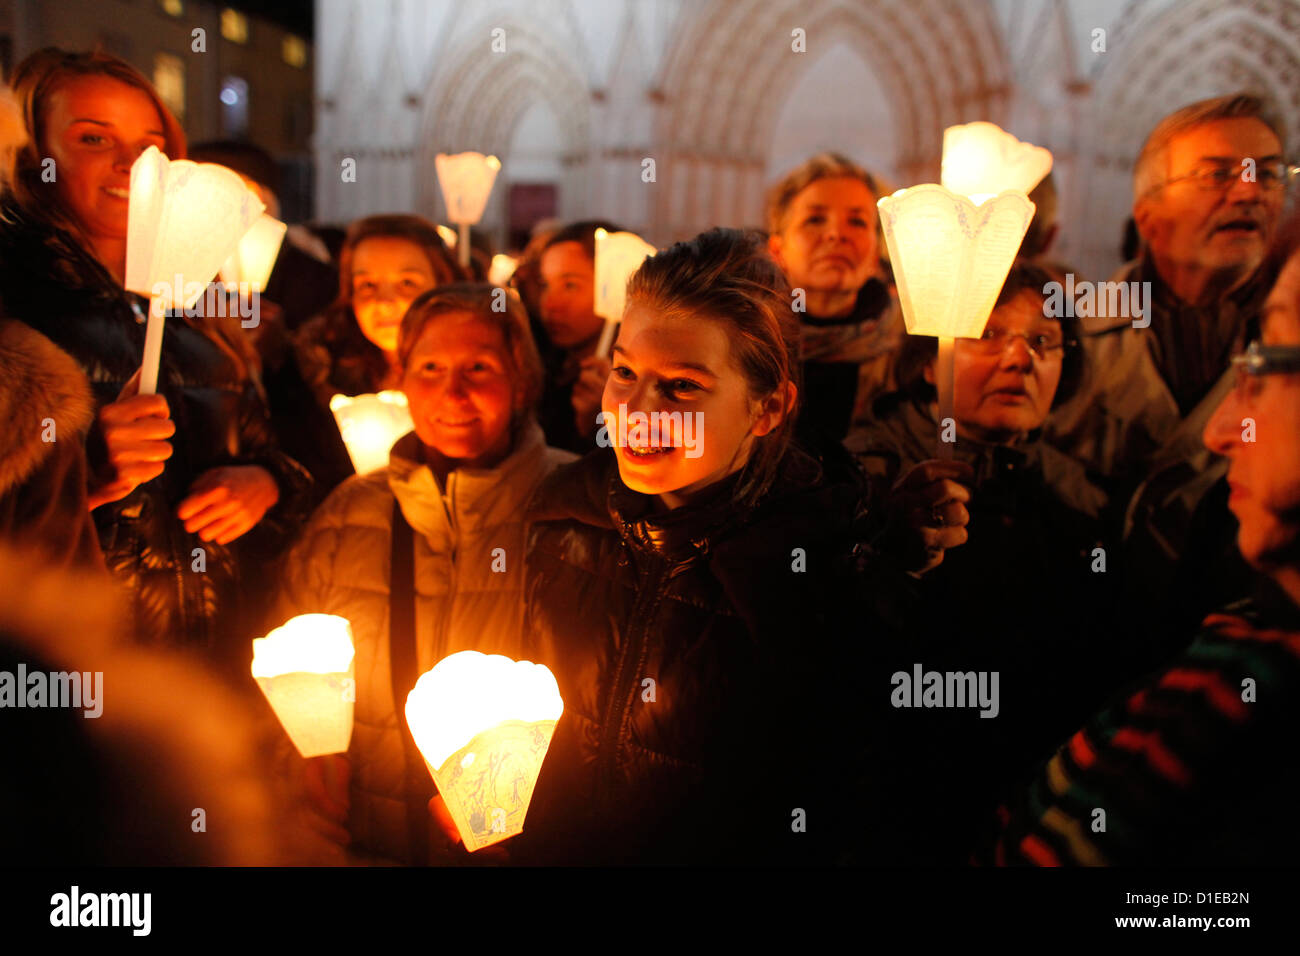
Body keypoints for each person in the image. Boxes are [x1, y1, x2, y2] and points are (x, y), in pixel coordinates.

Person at [515, 229, 969, 865]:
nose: (637, 410)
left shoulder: (825, 578)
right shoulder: (560, 520)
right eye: (625, 372)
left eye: (682, 387)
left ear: (768, 407)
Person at [987, 215, 1300, 866]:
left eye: (1272, 362)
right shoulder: (1236, 648)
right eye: (985, 336)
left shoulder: (1252, 691)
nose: (1218, 433)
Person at [0, 48, 310, 657]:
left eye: (151, 146)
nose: (133, 165)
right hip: (70, 682)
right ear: (33, 156)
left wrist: (266, 482)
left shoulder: (210, 314)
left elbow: (286, 455)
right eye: (93, 138)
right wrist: (80, 477)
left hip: (214, 666)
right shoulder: (15, 312)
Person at [274, 283, 574, 865]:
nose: (452, 391)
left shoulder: (577, 507)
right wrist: (300, 763)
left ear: (522, 382)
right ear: (402, 377)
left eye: (479, 367)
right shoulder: (347, 514)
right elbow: (285, 671)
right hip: (368, 842)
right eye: (430, 366)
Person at [848, 261, 1130, 861]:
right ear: (928, 361)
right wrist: (891, 558)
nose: (1019, 359)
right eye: (986, 335)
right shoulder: (862, 477)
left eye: (1042, 341)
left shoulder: (1084, 499)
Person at [1046, 93, 1288, 479]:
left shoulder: (1289, 340)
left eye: (1269, 174)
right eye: (1216, 175)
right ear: (1148, 218)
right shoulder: (1062, 335)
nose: (1250, 192)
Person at [291, 214, 464, 498]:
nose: (384, 302)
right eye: (367, 285)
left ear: (442, 284)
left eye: (407, 283)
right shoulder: (317, 377)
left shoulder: (474, 380)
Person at [765, 153, 903, 451]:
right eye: (814, 219)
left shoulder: (910, 348)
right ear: (778, 251)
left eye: (857, 221)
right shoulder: (745, 344)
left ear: (876, 250)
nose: (836, 234)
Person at [534, 219, 624, 453]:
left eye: (570, 285)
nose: (550, 304)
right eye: (545, 285)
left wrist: (603, 426)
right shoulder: (538, 363)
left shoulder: (634, 387)